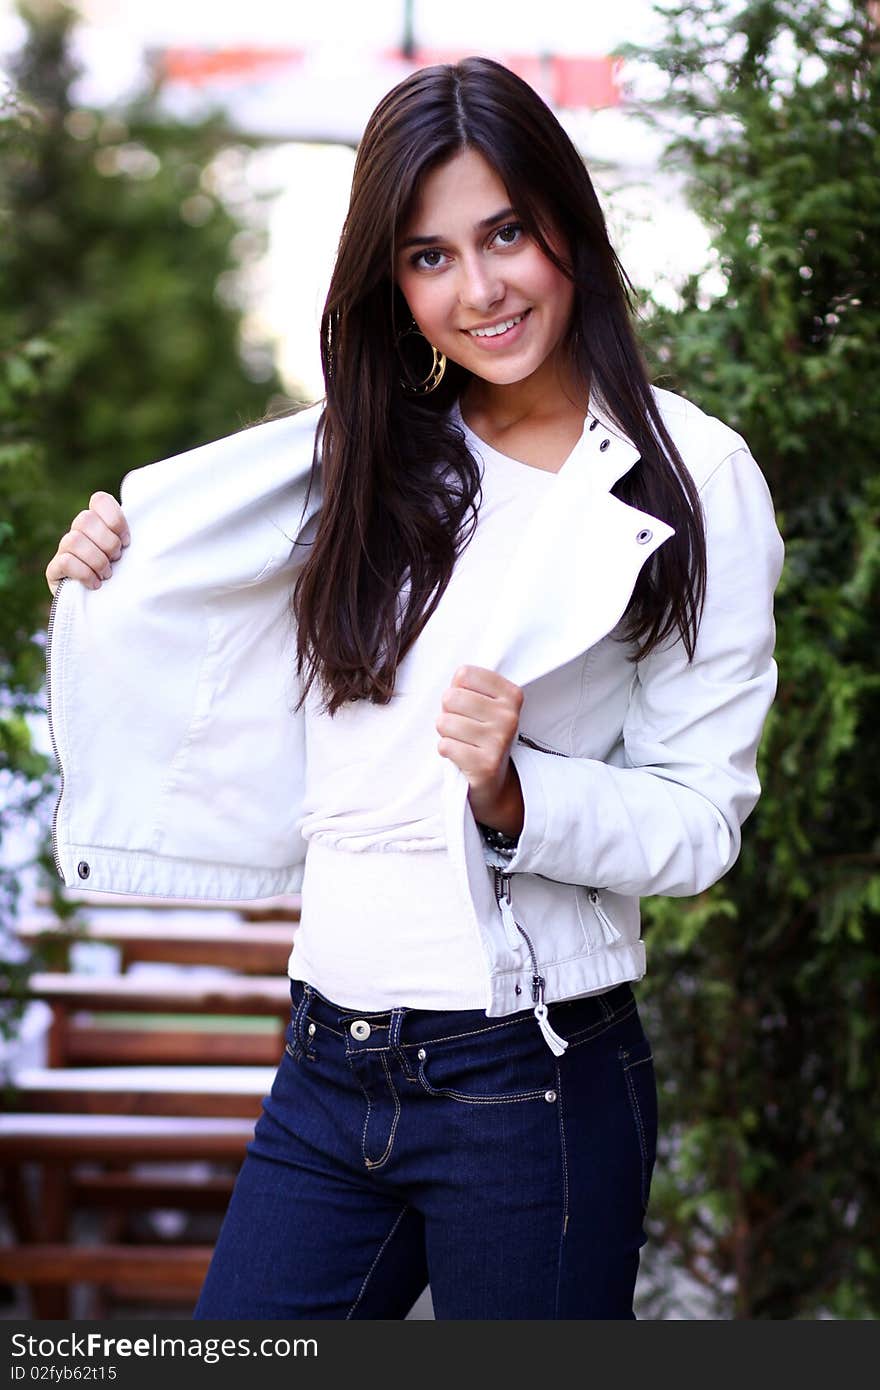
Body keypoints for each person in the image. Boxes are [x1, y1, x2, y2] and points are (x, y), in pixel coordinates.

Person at [44, 56, 784, 1320]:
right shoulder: (367, 460)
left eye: (506, 233)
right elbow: (214, 651)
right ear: (392, 281)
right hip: (327, 1058)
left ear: (568, 223)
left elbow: (700, 820)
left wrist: (515, 794)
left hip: (530, 1080)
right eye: (430, 256)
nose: (480, 289)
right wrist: (115, 566)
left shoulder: (688, 475)